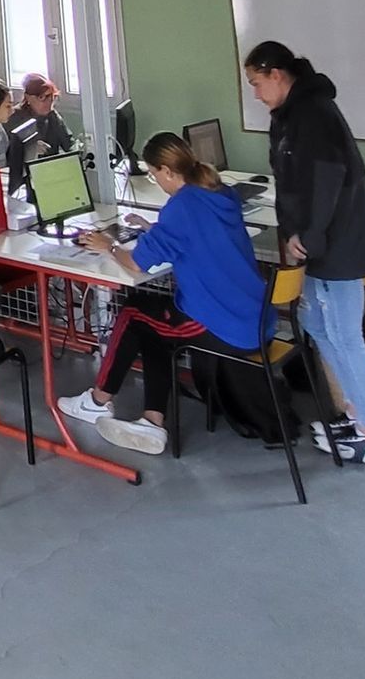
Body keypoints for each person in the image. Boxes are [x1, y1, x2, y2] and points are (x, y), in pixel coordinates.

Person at [59, 133, 270, 456]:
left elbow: (134, 264)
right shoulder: (219, 192)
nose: (155, 181)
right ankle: (151, 421)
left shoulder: (180, 208)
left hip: (222, 324)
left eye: (154, 174)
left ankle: (98, 400)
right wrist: (151, 229)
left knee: (132, 314)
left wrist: (108, 245)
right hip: (256, 317)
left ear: (167, 171)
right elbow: (197, 235)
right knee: (152, 322)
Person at [244, 41, 365, 469]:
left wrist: (308, 236)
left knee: (346, 335)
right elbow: (293, 182)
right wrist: (295, 232)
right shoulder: (290, 116)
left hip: (338, 243)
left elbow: (327, 183)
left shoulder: (314, 114)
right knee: (315, 322)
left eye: (257, 83)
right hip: (316, 241)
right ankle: (354, 413)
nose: (255, 93)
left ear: (276, 74)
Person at [11, 74, 75, 159]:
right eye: (42, 97)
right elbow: (5, 152)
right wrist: (30, 149)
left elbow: (69, 144)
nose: (48, 103)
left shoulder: (53, 116)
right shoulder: (13, 117)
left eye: (52, 97)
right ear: (28, 97)